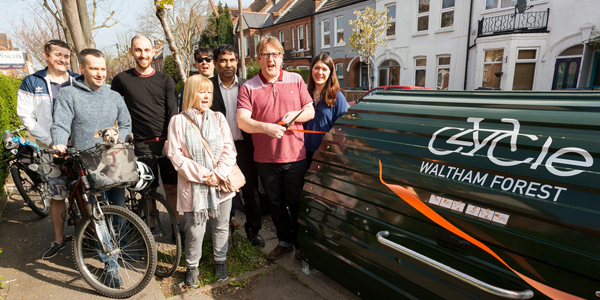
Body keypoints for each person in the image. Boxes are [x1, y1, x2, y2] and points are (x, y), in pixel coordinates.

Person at [51, 48, 132, 287]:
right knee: (97, 216)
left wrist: (121, 136)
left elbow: (126, 122)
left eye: (103, 69)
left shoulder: (114, 96)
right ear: (83, 69)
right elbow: (61, 124)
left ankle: (119, 248)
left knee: (118, 211)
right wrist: (58, 141)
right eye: (94, 68)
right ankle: (110, 266)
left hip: (114, 161)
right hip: (86, 164)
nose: (100, 73)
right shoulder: (68, 95)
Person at [237, 36, 315, 260]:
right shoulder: (248, 87)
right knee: (276, 205)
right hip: (266, 159)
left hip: (295, 156)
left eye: (275, 54)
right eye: (266, 55)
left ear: (281, 57)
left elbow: (310, 111)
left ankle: (301, 245)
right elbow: (243, 121)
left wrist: (296, 114)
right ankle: (284, 242)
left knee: (296, 203)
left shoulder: (296, 80)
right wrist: (266, 128)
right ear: (258, 58)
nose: (270, 59)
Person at [166, 75, 236, 287]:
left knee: (221, 226)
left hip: (220, 184)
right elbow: (175, 155)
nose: (206, 96)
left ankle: (220, 261)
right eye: (201, 91)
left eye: (209, 92)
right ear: (190, 94)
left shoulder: (218, 118)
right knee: (195, 230)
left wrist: (218, 174)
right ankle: (192, 267)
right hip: (194, 185)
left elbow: (229, 150)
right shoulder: (178, 121)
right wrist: (205, 176)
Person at [16, 39, 78, 260]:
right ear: (46, 55)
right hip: (51, 150)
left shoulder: (77, 81)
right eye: (58, 55)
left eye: (66, 56)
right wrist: (51, 141)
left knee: (88, 193)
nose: (63, 60)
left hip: (78, 148)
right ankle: (59, 240)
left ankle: (90, 235)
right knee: (58, 195)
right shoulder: (32, 82)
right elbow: (27, 118)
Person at [111, 35, 180, 230]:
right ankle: (150, 228)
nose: (143, 54)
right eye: (138, 50)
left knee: (171, 188)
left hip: (166, 142)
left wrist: (171, 140)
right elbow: (114, 108)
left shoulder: (166, 80)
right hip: (140, 144)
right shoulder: (121, 79)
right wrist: (122, 131)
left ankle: (175, 227)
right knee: (148, 190)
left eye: (147, 50)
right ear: (131, 51)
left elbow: (173, 113)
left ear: (154, 51)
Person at [211, 44, 264, 247]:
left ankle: (254, 230)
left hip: (245, 146)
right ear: (216, 64)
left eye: (232, 60)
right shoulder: (207, 87)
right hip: (219, 150)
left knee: (250, 190)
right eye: (223, 60)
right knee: (221, 191)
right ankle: (222, 231)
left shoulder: (247, 86)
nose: (228, 65)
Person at [304, 53, 349, 167]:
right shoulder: (304, 94)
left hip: (325, 155)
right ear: (312, 70)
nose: (320, 72)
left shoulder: (338, 97)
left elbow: (342, 130)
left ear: (330, 73)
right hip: (302, 153)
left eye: (324, 69)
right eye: (317, 68)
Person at [178, 47, 215, 111]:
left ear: (214, 62)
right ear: (196, 64)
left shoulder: (221, 83)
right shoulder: (190, 85)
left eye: (208, 59)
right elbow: (183, 108)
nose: (204, 62)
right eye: (200, 60)